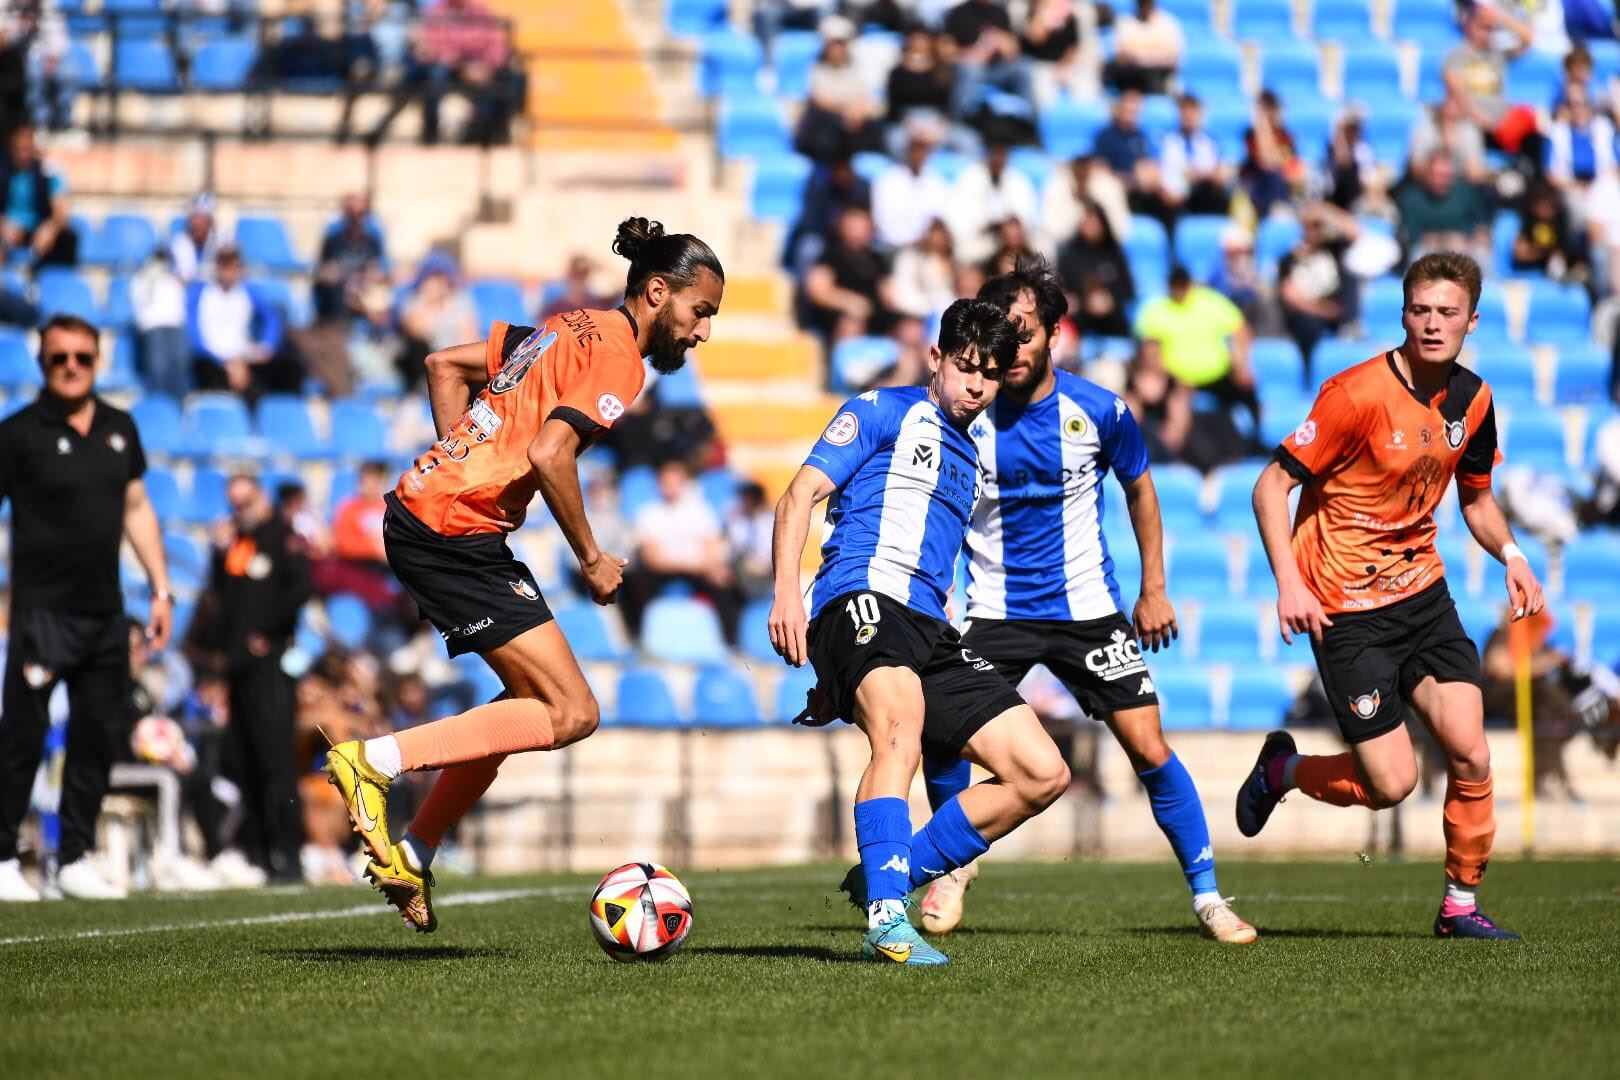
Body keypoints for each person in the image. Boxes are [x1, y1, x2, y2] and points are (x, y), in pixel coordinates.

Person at [323, 218, 724, 933]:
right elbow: (549, 453)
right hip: (451, 532)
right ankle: (372, 761)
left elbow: (443, 365)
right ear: (658, 292)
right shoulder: (620, 361)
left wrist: (455, 461)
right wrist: (593, 557)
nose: (701, 333)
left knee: (524, 702)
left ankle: (415, 850)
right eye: (701, 313)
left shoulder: (569, 326)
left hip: (439, 518)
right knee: (573, 712)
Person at [912, 258, 1254, 942]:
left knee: (1148, 745)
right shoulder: (961, 416)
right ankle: (953, 868)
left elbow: (1142, 491)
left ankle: (1208, 896)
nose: (1012, 346)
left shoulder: (1101, 410)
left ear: (1055, 336)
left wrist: (1153, 589)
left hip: (1088, 611)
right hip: (995, 611)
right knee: (940, 736)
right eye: (1001, 332)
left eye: (1026, 331)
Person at [1241, 251, 1543, 940]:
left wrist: (1513, 554)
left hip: (1424, 599)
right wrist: (1289, 581)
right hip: (1346, 611)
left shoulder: (1475, 400)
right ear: (1403, 314)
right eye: (1420, 311)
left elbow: (1478, 499)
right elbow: (1270, 486)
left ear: (1472, 319)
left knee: (1471, 753)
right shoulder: (1355, 396)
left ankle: (1459, 909)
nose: (1433, 324)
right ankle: (1283, 770)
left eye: (1447, 312)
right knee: (1391, 786)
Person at [770, 298, 1071, 966]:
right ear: (935, 358)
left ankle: (894, 873)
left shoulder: (971, 457)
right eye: (964, 367)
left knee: (1042, 772)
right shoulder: (880, 409)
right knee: (900, 730)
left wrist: (836, 678)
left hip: (930, 629)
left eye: (989, 375)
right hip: (861, 599)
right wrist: (789, 598)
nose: (974, 385)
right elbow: (797, 498)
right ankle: (886, 919)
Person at [0, 314, 172, 902]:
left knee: (99, 733)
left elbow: (137, 509)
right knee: (21, 738)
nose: (70, 366)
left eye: (81, 357)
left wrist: (160, 589)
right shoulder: (18, 433)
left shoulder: (120, 428)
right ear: (43, 362)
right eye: (58, 358)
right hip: (40, 614)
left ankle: (72, 855)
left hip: (105, 613)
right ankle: (2, 857)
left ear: (97, 362)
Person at [192, 475, 312, 882]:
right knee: (245, 762)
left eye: (246, 502)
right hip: (238, 668)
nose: (239, 511)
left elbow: (300, 588)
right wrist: (215, 555)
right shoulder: (237, 546)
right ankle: (258, 850)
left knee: (276, 760)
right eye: (234, 504)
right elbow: (221, 603)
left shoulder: (283, 537)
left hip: (270, 667)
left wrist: (271, 632)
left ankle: (289, 850)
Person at [622, 459, 744, 644]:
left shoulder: (700, 511)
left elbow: (711, 548)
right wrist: (692, 565)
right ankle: (637, 636)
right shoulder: (649, 513)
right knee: (635, 580)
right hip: (664, 571)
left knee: (724, 583)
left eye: (675, 482)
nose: (671, 488)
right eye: (666, 483)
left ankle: (731, 641)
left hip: (696, 569)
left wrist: (710, 568)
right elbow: (651, 559)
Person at [186, 245, 300, 398]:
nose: (228, 272)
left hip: (242, 356)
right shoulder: (200, 293)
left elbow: (272, 318)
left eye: (232, 266)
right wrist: (226, 363)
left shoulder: (247, 291)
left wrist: (267, 347)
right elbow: (194, 336)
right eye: (224, 266)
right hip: (211, 359)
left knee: (291, 367)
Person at [0, 124, 75, 268]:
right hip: (7, 233)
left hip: (37, 233)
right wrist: (3, 225)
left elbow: (62, 215)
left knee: (66, 238)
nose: (24, 149)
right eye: (19, 144)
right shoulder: (3, 172)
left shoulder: (49, 172)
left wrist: (50, 228)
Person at [1397, 151, 1491, 261]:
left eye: (1445, 175)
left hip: (1464, 247)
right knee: (1418, 256)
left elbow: (1482, 222)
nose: (1439, 181)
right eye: (1436, 175)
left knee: (1482, 254)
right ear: (1427, 173)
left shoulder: (1465, 192)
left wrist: (1477, 236)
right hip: (1428, 250)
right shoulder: (1412, 197)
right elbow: (1412, 236)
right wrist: (1447, 240)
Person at [1104, 0, 1182, 94]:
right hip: (1131, 75)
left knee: (1153, 76)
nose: (1146, 6)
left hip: (1159, 75)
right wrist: (1143, 59)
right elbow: (1120, 55)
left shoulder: (1168, 23)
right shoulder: (1125, 22)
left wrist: (1148, 60)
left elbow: (1173, 59)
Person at [170, 192, 220, 284]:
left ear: (209, 221)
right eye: (194, 217)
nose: (197, 223)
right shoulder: (180, 243)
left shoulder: (220, 242)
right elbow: (183, 278)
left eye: (202, 218)